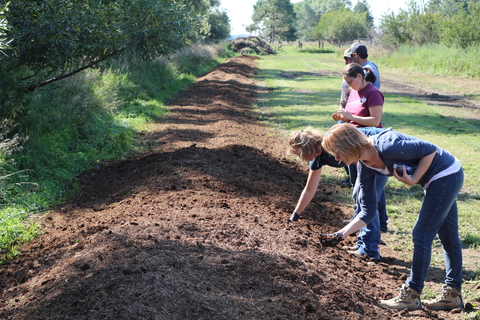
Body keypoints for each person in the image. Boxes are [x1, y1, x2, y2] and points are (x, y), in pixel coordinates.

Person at [321, 123, 464, 311]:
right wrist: (339, 235)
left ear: (348, 146)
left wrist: (414, 179)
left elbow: (430, 150)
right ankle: (452, 295)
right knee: (448, 236)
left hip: (446, 174)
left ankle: (411, 295)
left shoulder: (387, 145)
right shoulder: (365, 166)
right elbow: (368, 211)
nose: (337, 159)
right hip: (440, 179)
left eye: (337, 153)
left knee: (421, 234)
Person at [288, 126, 385, 261]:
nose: (301, 157)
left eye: (300, 153)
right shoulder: (318, 158)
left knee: (365, 200)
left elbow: (361, 158)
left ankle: (369, 249)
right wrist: (295, 214)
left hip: (377, 152)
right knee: (360, 196)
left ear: (308, 148)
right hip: (360, 159)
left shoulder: (333, 144)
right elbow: (310, 189)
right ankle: (362, 244)